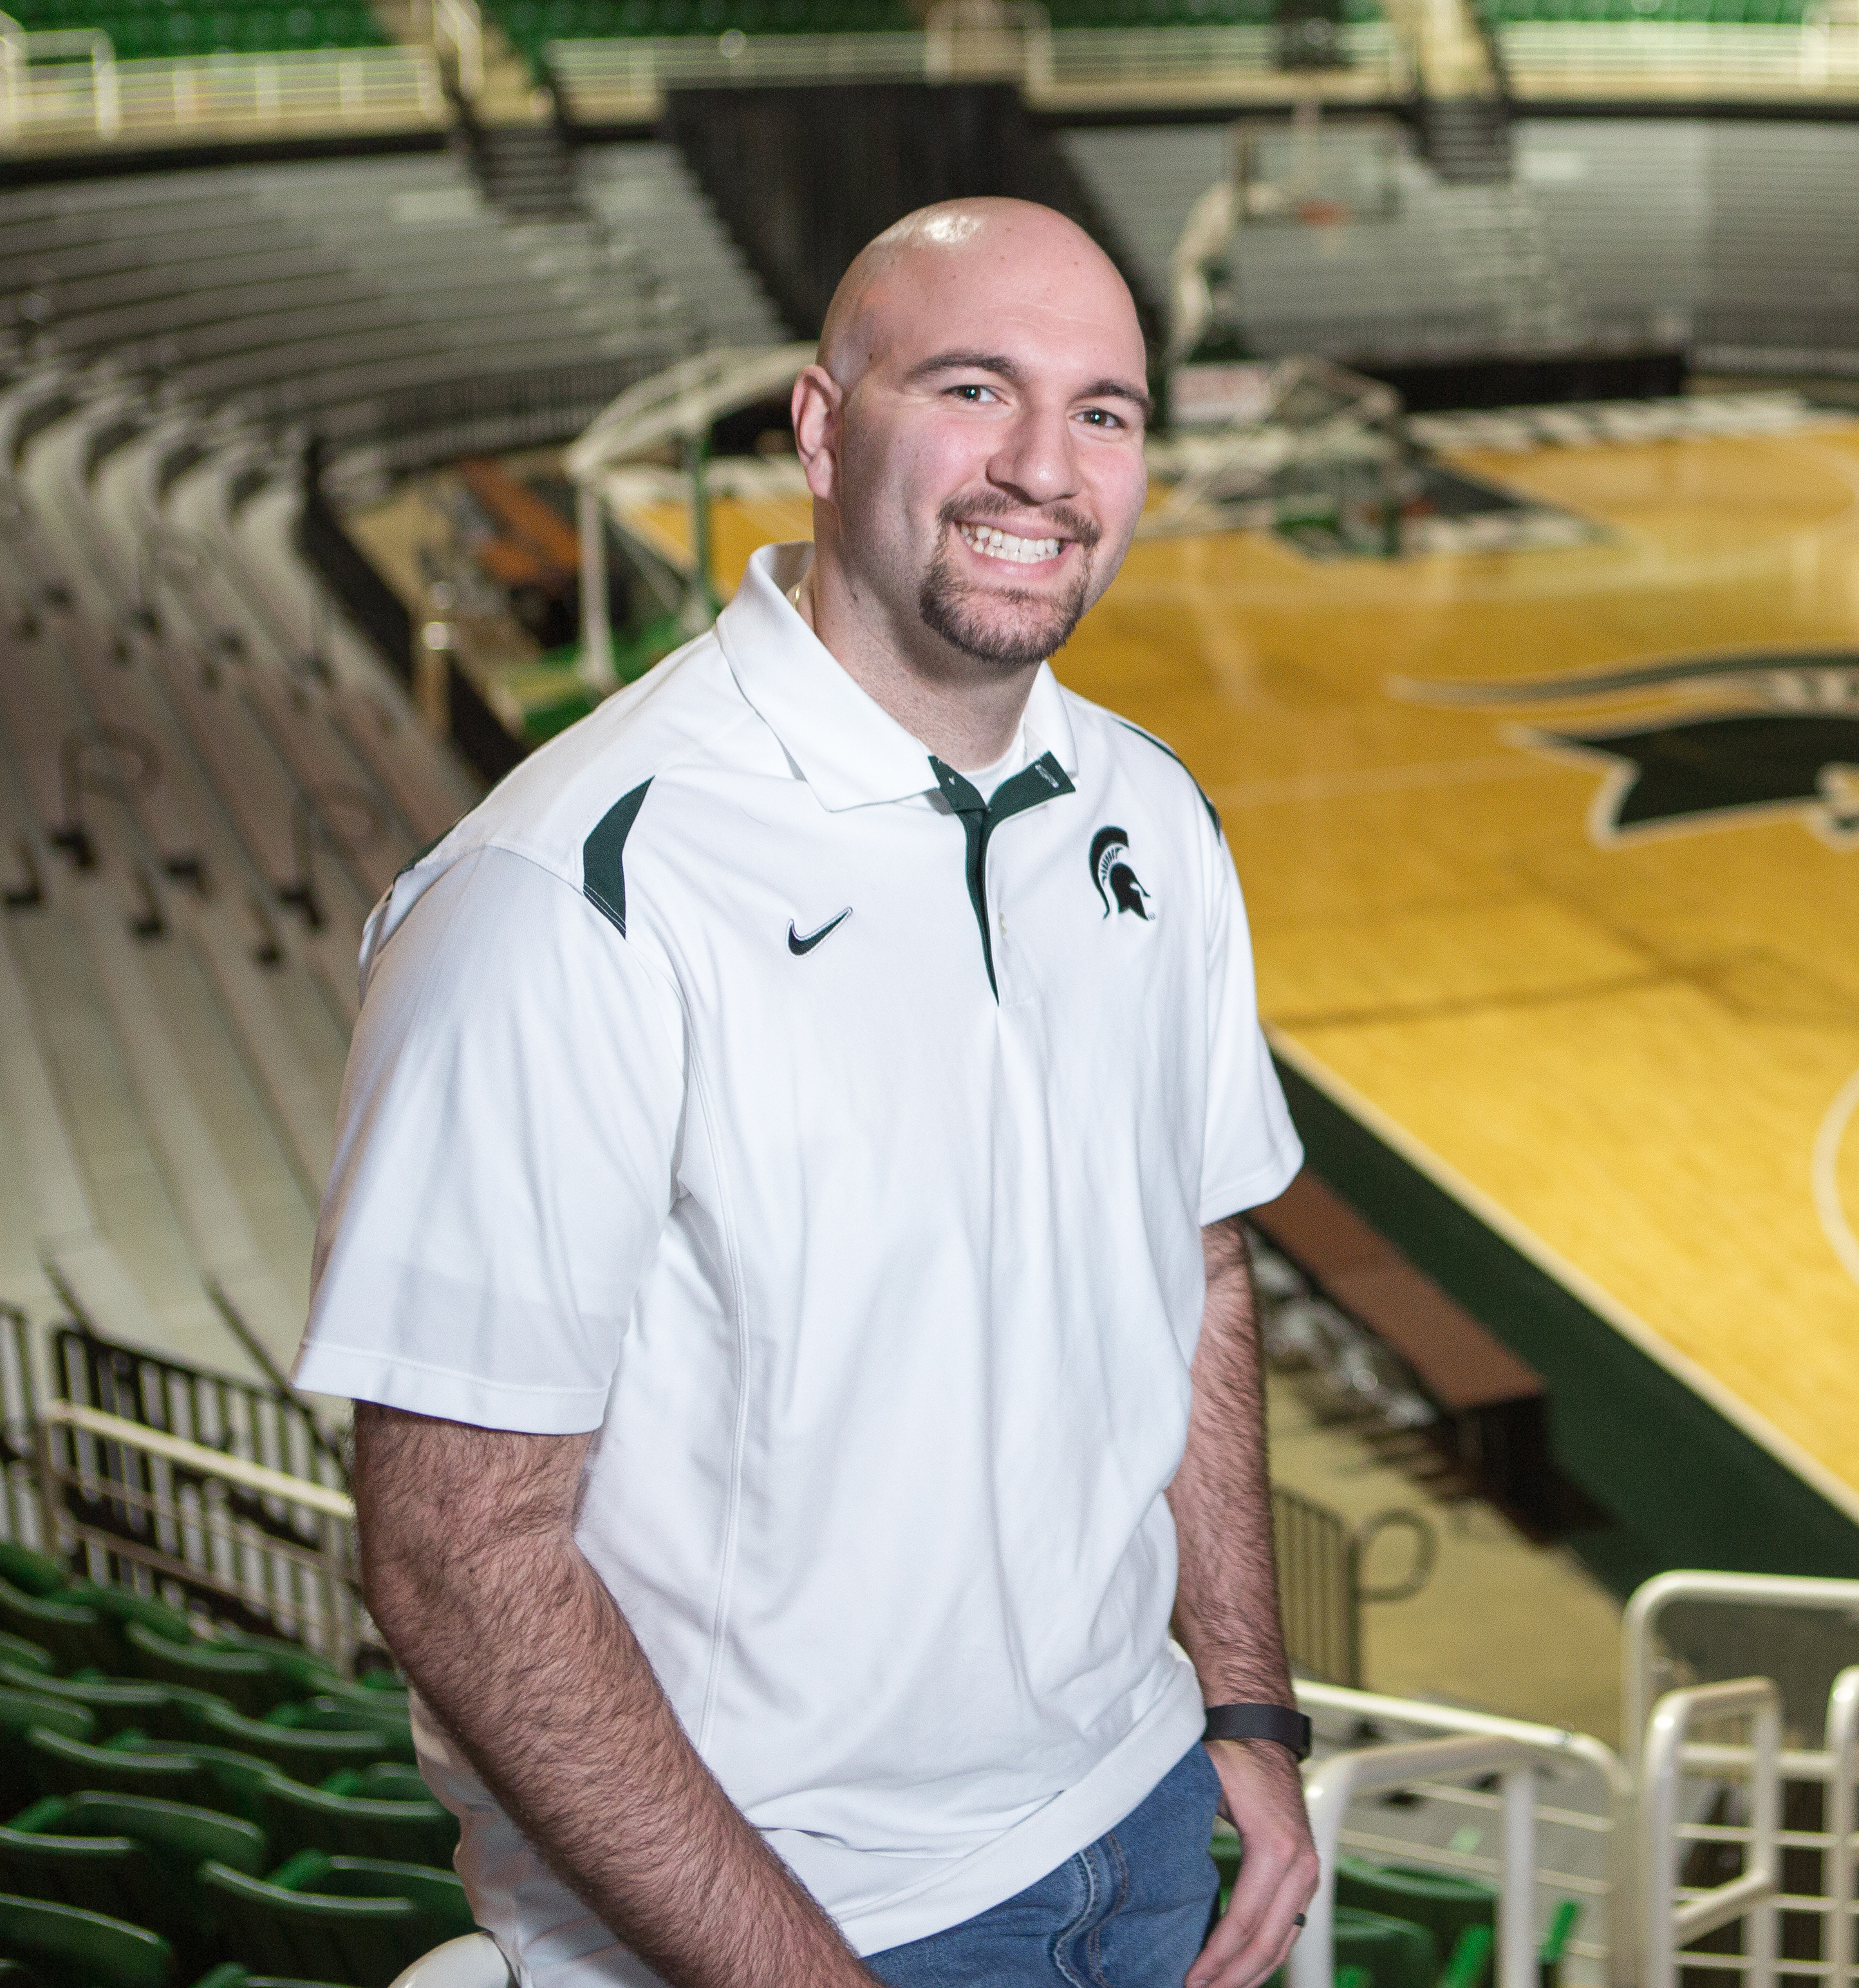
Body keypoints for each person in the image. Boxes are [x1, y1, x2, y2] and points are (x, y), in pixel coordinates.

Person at [293, 196, 1318, 1988]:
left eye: (1104, 411)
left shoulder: (1154, 814)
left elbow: (1203, 1268)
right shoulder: (569, 888)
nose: (1042, 469)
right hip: (800, 1918)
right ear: (823, 426)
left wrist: (1240, 1698)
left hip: (1148, 1819)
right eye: (973, 389)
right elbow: (460, 1556)